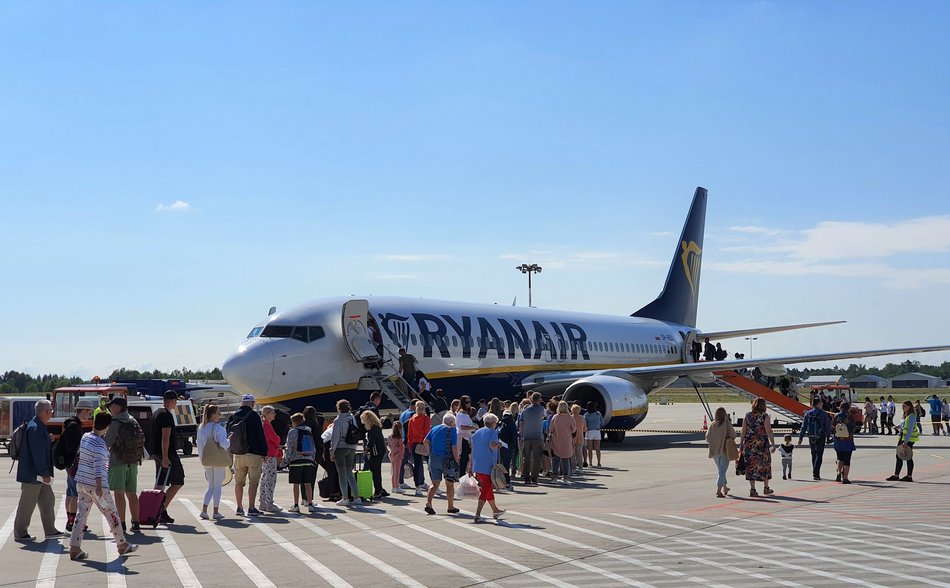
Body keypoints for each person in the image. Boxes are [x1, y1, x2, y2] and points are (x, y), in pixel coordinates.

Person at [69, 412, 138, 561]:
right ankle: (122, 544)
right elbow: (98, 467)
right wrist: (100, 487)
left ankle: (74, 547)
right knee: (111, 513)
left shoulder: (85, 437)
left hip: (81, 482)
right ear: (107, 427)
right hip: (96, 486)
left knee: (81, 515)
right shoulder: (100, 445)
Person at [14, 399, 62, 542]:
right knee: (27, 504)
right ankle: (20, 533)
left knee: (48, 500)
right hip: (34, 475)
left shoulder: (36, 425)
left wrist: (48, 439)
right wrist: (44, 473)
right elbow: (38, 453)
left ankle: (50, 530)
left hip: (37, 474)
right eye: (51, 410)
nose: (51, 413)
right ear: (45, 412)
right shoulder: (36, 428)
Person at [104, 396, 144, 533]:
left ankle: (121, 523)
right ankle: (136, 522)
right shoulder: (133, 420)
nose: (110, 409)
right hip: (133, 461)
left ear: (118, 407)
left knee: (119, 493)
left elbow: (106, 443)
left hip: (118, 461)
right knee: (132, 493)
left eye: (111, 406)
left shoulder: (115, 423)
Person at [227, 394, 268, 517]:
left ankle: (239, 507)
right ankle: (251, 507)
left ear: (242, 403)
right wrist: (264, 452)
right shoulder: (254, 416)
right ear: (253, 403)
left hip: (238, 453)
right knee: (253, 482)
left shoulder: (233, 416)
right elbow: (260, 435)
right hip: (254, 453)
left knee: (239, 482)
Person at [60, 398, 95, 533]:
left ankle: (69, 520)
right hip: (74, 464)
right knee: (75, 494)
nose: (89, 415)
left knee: (70, 492)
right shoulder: (75, 427)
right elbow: (74, 447)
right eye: (89, 412)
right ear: (84, 410)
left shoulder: (70, 424)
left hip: (68, 464)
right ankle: (73, 522)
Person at [151, 390, 184, 524]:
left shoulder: (157, 413)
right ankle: (161, 509)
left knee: (160, 482)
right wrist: (165, 457)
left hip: (157, 453)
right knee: (178, 481)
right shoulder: (166, 415)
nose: (176, 404)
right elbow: (166, 437)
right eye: (176, 401)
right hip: (167, 454)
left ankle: (153, 509)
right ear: (172, 401)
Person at [196, 403, 230, 520]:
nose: (219, 415)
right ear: (213, 414)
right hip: (217, 460)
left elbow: (199, 444)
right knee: (217, 486)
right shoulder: (218, 428)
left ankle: (204, 510)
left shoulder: (201, 427)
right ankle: (216, 511)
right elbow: (224, 444)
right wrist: (229, 440)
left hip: (206, 459)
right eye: (218, 412)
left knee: (210, 486)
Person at [471, 413, 506, 523]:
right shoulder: (493, 432)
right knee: (486, 488)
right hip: (488, 464)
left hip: (478, 464)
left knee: (488, 488)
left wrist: (470, 466)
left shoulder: (477, 433)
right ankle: (477, 513)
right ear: (493, 423)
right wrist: (498, 445)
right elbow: (492, 445)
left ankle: (495, 510)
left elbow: (472, 449)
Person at [423, 413, 460, 515]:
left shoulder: (434, 428)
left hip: (434, 458)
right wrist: (457, 459)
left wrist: (429, 451)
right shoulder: (452, 430)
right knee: (449, 484)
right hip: (446, 459)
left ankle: (429, 503)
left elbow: (425, 441)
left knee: (435, 484)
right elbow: (454, 446)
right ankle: (450, 506)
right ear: (451, 422)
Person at [283, 413, 318, 514]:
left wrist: (286, 461)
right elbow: (313, 446)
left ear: (294, 422)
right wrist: (312, 458)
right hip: (309, 460)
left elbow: (289, 447)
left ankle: (296, 505)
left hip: (296, 461)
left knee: (296, 484)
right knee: (308, 483)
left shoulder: (292, 432)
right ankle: (310, 504)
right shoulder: (308, 430)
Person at [740, 398, 774, 496]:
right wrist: (773, 443)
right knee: (765, 465)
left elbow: (743, 430)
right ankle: (766, 488)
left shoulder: (747, 415)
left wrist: (741, 443)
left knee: (751, 466)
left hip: (749, 444)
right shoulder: (765, 416)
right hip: (761, 445)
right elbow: (768, 430)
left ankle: (752, 489)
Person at [329, 400, 361, 507]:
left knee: (342, 474)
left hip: (341, 447)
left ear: (338, 408)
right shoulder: (352, 418)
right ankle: (357, 497)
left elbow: (335, 437)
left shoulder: (338, 420)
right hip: (352, 447)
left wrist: (332, 451)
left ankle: (345, 498)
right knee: (349, 473)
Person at [798, 396, 832, 481]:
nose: (822, 404)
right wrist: (829, 436)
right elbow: (827, 426)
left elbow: (804, 426)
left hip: (811, 436)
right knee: (819, 455)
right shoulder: (824, 414)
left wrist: (801, 437)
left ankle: (815, 471)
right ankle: (816, 473)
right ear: (818, 404)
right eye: (821, 403)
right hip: (821, 436)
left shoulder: (808, 413)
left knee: (813, 454)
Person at [705, 406, 737, 498]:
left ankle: (725, 487)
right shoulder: (726, 423)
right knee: (722, 471)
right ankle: (718, 491)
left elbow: (707, 438)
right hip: (724, 450)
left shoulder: (712, 424)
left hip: (714, 451)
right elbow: (733, 435)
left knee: (721, 470)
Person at [258, 406, 283, 513]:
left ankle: (263, 502)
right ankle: (269, 503)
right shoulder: (266, 425)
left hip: (266, 455)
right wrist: (278, 442)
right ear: (267, 414)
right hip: (270, 455)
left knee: (265, 478)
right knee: (270, 479)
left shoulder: (264, 424)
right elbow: (276, 439)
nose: (274, 414)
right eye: (272, 413)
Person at [888, 400, 919, 482]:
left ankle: (909, 476)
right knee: (899, 455)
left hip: (909, 439)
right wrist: (897, 426)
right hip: (902, 437)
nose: (902, 408)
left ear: (909, 407)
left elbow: (909, 430)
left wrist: (905, 442)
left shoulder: (911, 416)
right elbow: (904, 425)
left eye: (904, 406)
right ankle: (896, 475)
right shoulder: (906, 415)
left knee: (908, 456)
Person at [519, 392, 546, 485]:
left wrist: (522, 435)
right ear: (539, 399)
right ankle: (534, 477)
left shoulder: (525, 410)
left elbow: (521, 423)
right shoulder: (541, 409)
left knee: (526, 458)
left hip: (526, 436)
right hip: (537, 436)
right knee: (537, 458)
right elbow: (545, 416)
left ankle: (526, 477)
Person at [547, 401, 577, 484]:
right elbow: (574, 430)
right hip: (567, 441)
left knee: (555, 460)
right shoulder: (570, 418)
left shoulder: (555, 417)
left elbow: (551, 429)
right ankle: (565, 478)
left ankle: (554, 477)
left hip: (556, 440)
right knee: (565, 460)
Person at [361, 410, 389, 499]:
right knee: (376, 471)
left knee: (375, 471)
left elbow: (371, 441)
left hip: (376, 452)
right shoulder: (376, 427)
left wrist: (367, 448)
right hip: (379, 451)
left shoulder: (373, 429)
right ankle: (379, 489)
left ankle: (378, 490)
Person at [407, 401, 431, 495]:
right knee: (430, 464)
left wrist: (410, 445)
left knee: (417, 465)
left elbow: (410, 434)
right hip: (424, 443)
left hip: (415, 444)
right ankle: (434, 485)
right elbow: (427, 432)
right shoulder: (426, 418)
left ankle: (417, 487)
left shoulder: (411, 419)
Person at [302, 406, 324, 503]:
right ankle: (309, 498)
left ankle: (303, 498)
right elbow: (318, 441)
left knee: (303, 477)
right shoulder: (315, 424)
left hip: (303, 453)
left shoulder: (302, 424)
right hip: (313, 454)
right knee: (311, 477)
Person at [832, 400, 856, 484]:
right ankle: (845, 477)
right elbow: (853, 428)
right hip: (847, 440)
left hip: (838, 440)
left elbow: (833, 427)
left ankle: (838, 473)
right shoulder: (850, 416)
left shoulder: (837, 416)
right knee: (847, 460)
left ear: (840, 407)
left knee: (839, 457)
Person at [397, 399, 417, 490]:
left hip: (402, 439)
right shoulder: (412, 414)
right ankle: (401, 481)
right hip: (409, 440)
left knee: (402, 461)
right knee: (406, 461)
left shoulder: (403, 413)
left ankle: (400, 480)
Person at [456, 396, 477, 475]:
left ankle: (462, 474)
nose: (469, 404)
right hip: (464, 438)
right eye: (466, 402)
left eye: (469, 402)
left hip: (464, 437)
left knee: (464, 458)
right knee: (464, 459)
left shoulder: (460, 413)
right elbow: (462, 427)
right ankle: (462, 475)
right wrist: (473, 427)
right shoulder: (463, 413)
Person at [497, 410, 518, 489]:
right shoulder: (512, 423)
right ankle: (506, 482)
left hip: (499, 445)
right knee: (506, 465)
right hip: (508, 446)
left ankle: (499, 481)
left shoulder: (499, 423)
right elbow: (514, 435)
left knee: (499, 463)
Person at [388, 421, 406, 494]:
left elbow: (389, 446)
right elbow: (401, 447)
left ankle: (393, 487)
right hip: (398, 455)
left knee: (393, 472)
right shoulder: (399, 438)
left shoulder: (390, 437)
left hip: (392, 454)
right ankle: (397, 487)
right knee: (397, 472)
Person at [584, 401, 604, 468]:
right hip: (597, 431)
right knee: (597, 448)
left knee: (590, 449)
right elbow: (602, 422)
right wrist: (599, 426)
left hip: (589, 431)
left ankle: (590, 463)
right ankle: (599, 463)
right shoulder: (598, 413)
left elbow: (585, 424)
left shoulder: (586, 415)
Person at [570, 404, 587, 473]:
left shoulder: (570, 418)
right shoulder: (582, 418)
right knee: (579, 453)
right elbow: (584, 429)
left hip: (572, 438)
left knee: (572, 454)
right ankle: (580, 468)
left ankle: (573, 468)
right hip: (580, 437)